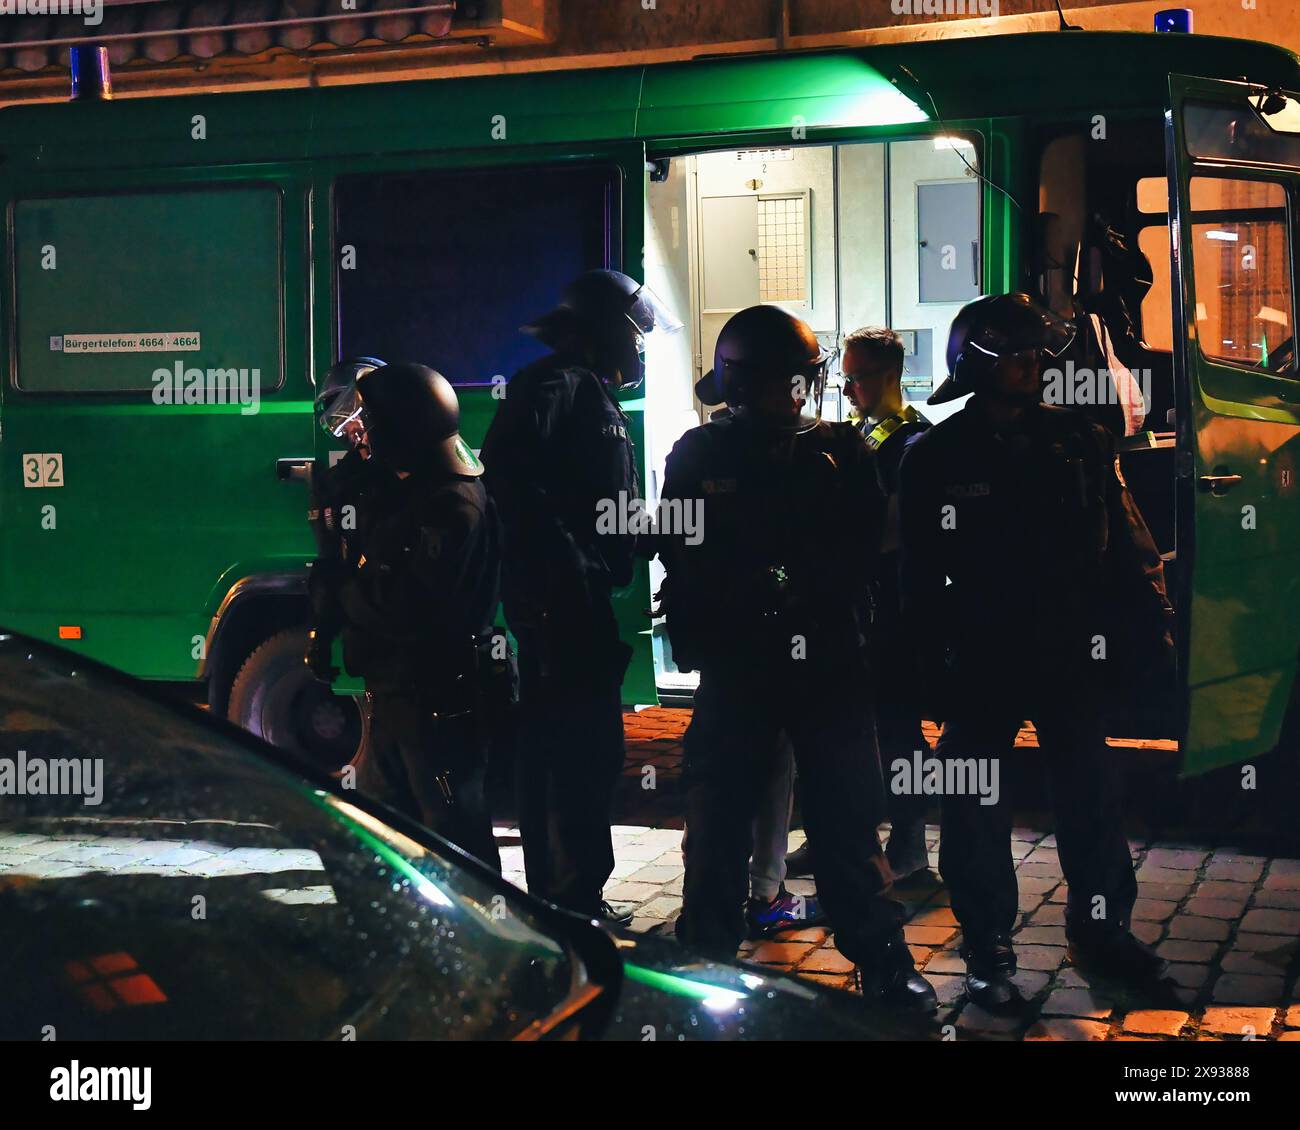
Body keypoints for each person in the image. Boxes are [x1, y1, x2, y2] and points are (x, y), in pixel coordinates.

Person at [899, 293, 1174, 1013]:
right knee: (974, 808)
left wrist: (1152, 621)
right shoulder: (934, 455)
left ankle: (1103, 931)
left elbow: (1126, 537)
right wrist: (928, 664)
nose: (1032, 366)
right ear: (978, 365)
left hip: (1067, 651)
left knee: (1091, 799)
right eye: (1016, 356)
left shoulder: (1080, 441)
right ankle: (988, 946)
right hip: (981, 655)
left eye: (1035, 355)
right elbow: (918, 575)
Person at [658, 304, 936, 1012]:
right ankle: (711, 954)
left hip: (822, 665)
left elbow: (864, 552)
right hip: (747, 663)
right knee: (722, 822)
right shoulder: (702, 454)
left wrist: (788, 584)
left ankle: (877, 954)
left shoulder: (842, 451)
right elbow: (680, 555)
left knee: (842, 819)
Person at [481, 269, 681, 923]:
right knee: (575, 752)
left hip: (575, 600)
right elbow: (511, 483)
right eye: (639, 335)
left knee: (576, 750)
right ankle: (568, 898)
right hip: (559, 608)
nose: (643, 349)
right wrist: (564, 569)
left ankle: (568, 893)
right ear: (609, 331)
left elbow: (591, 503)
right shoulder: (555, 387)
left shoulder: (584, 389)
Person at [334, 361, 504, 871]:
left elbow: (408, 608)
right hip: (404, 699)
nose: (364, 434)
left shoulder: (451, 505)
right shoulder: (424, 491)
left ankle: (489, 944)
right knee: (393, 832)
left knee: (455, 841)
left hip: (436, 703)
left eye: (374, 424)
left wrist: (345, 589)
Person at [305, 357, 387, 687]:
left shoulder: (425, 472)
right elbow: (331, 566)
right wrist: (320, 636)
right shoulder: (339, 485)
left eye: (350, 416)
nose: (350, 432)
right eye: (339, 424)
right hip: (377, 642)